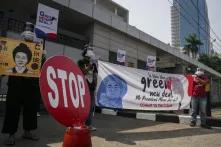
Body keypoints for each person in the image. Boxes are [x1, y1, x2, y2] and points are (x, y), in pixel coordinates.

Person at [2, 45, 39, 145]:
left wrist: (42, 57)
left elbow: (40, 69)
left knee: (30, 110)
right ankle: (11, 134)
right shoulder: (9, 68)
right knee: (12, 109)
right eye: (18, 57)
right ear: (13, 57)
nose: (21, 60)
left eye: (24, 57)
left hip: (30, 86)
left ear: (28, 59)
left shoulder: (33, 67)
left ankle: (27, 132)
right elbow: (3, 69)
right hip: (15, 87)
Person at [78, 44, 97, 131]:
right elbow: (82, 72)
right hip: (83, 87)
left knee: (91, 106)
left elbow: (95, 75)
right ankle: (80, 123)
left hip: (91, 87)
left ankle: (88, 125)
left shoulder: (93, 64)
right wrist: (89, 66)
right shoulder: (81, 62)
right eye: (89, 50)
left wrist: (95, 84)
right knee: (82, 105)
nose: (91, 52)